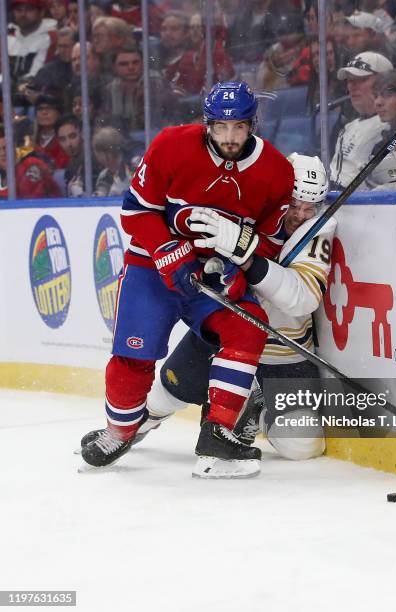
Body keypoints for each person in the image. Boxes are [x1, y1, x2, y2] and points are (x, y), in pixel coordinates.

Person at [80, 81, 294, 479]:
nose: (229, 138)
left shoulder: (277, 172)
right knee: (135, 353)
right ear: (207, 123)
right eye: (221, 127)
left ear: (253, 125)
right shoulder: (171, 145)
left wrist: (235, 270)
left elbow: (268, 242)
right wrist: (166, 250)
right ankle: (120, 431)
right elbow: (135, 212)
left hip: (212, 280)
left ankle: (219, 435)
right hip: (152, 268)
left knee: (248, 330)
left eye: (239, 127)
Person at [80, 153, 335, 461]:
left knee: (303, 445)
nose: (300, 215)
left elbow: (302, 299)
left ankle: (255, 408)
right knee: (161, 400)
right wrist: (220, 271)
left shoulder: (318, 230)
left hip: (284, 353)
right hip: (225, 343)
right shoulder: (247, 211)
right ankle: (129, 430)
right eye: (294, 204)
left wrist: (249, 261)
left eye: (311, 208)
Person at [329, 51, 393, 189]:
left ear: (385, 82)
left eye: (361, 79)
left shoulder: (392, 127)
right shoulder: (347, 127)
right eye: (350, 80)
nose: (352, 86)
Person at [6, 0, 57, 100]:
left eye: (29, 9)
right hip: (8, 95)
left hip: (35, 96)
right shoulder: (7, 36)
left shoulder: (51, 37)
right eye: (19, 10)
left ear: (42, 12)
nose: (23, 14)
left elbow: (36, 75)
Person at [0, 123, 61, 199]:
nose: (3, 153)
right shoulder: (3, 175)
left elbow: (30, 203)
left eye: (5, 148)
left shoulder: (30, 165)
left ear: (15, 147)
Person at [92, 127, 131, 196]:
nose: (96, 155)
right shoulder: (103, 175)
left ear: (107, 152)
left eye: (98, 151)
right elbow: (100, 199)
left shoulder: (132, 170)